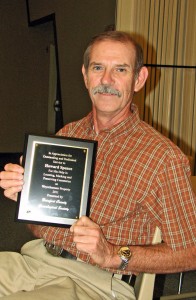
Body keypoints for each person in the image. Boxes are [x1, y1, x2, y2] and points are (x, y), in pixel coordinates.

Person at [0, 31, 195, 300]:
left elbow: (190, 251)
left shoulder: (163, 158)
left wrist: (113, 254)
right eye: (98, 67)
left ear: (139, 79)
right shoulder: (67, 137)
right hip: (35, 261)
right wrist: (26, 196)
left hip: (97, 282)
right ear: (85, 75)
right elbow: (37, 227)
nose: (106, 80)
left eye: (121, 69)